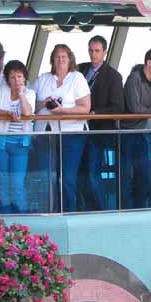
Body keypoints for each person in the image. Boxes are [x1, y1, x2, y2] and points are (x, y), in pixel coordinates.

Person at [33, 44, 91, 212]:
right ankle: (48, 210)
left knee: (67, 177)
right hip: (45, 134)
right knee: (47, 176)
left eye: (63, 57)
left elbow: (85, 108)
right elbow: (30, 105)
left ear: (70, 59)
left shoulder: (77, 78)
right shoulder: (43, 79)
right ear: (52, 60)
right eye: (57, 57)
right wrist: (44, 102)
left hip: (71, 134)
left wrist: (61, 110)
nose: (60, 60)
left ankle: (68, 213)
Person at [78, 34, 124, 211]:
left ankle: (99, 209)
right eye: (91, 50)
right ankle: (84, 207)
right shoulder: (80, 69)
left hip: (98, 132)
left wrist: (96, 113)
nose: (93, 54)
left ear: (104, 52)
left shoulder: (113, 76)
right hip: (78, 129)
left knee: (92, 172)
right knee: (81, 172)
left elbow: (118, 107)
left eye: (97, 51)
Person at [121, 47, 151, 209]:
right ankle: (125, 210)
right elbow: (135, 108)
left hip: (142, 133)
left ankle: (141, 207)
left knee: (144, 174)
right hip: (128, 133)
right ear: (149, 63)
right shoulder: (134, 78)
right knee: (126, 175)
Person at [0, 60, 35, 213]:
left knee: (17, 183)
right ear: (7, 80)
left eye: (19, 76)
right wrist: (7, 114)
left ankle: (22, 217)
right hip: (0, 143)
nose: (16, 80)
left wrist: (21, 95)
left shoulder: (30, 93)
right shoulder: (2, 90)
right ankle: (6, 219)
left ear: (24, 78)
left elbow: (28, 113)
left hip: (20, 145)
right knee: (3, 182)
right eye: (12, 77)